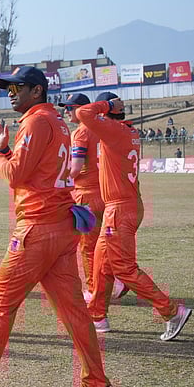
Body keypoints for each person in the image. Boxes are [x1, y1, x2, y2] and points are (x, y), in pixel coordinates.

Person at [0, 67, 114, 387]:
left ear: (37, 90)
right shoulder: (58, 122)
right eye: (8, 87)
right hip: (61, 226)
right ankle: (96, 386)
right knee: (74, 312)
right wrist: (3, 147)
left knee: (1, 301)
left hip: (38, 227)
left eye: (17, 87)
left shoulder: (36, 122)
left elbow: (16, 174)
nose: (10, 93)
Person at [75, 92, 192, 340]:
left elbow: (83, 113)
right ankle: (98, 316)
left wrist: (105, 105)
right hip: (126, 204)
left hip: (119, 208)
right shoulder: (130, 131)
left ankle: (171, 312)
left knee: (124, 268)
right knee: (100, 264)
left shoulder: (114, 130)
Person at [60, 93, 126, 304]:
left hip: (87, 195)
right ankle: (118, 279)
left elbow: (76, 168)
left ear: (81, 109)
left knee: (88, 247)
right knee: (106, 243)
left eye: (70, 108)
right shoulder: (107, 128)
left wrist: (59, 177)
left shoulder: (80, 132)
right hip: (109, 193)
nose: (67, 111)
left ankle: (94, 288)